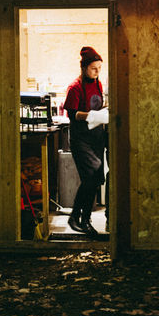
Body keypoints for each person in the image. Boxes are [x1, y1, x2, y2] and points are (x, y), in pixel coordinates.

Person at [61, 46, 108, 234]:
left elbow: (99, 105)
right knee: (90, 177)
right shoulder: (74, 88)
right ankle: (80, 218)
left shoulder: (98, 83)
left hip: (96, 137)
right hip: (81, 138)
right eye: (93, 68)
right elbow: (72, 114)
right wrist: (91, 116)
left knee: (96, 179)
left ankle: (80, 218)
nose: (97, 72)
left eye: (99, 68)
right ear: (84, 67)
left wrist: (104, 112)